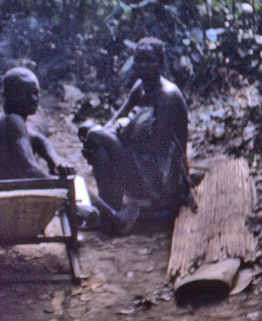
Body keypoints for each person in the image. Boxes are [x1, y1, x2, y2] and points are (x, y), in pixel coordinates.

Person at [79, 37, 193, 234]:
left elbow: (157, 150)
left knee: (98, 136)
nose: (144, 66)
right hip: (140, 161)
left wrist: (113, 139)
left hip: (162, 174)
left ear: (161, 63)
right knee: (95, 137)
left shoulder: (168, 96)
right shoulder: (140, 87)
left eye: (150, 61)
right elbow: (115, 120)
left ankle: (122, 212)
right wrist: (100, 138)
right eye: (139, 60)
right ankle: (111, 209)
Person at [0, 67, 66, 182]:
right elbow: (29, 170)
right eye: (25, 94)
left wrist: (55, 160)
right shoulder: (13, 121)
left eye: (36, 93)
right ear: (8, 95)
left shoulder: (2, 119)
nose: (34, 99)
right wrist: (60, 183)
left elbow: (37, 139)